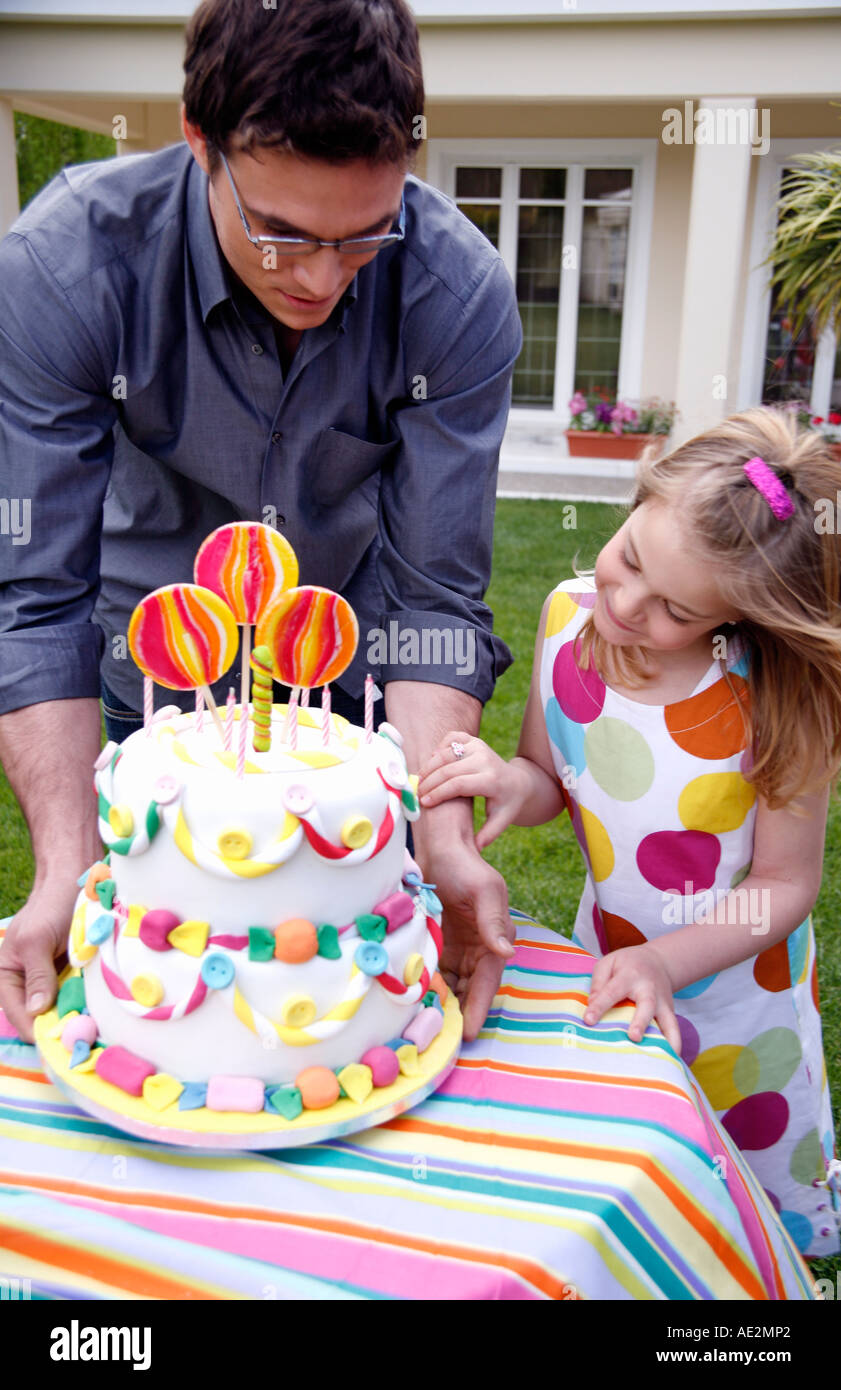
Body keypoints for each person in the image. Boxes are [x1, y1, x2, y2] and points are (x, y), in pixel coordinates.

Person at [0, 0, 522, 1045]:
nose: (325, 279)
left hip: (355, 691)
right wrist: (66, 866)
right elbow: (38, 595)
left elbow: (432, 600)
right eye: (282, 233)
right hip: (145, 680)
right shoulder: (63, 269)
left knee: (328, 1011)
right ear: (200, 140)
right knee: (176, 1002)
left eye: (365, 236)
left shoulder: (456, 294)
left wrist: (446, 833)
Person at [418, 406, 841, 1258]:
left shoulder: (776, 700)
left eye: (675, 610)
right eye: (629, 558)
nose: (624, 602)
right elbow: (552, 778)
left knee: (746, 1198)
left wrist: (667, 960)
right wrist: (510, 779)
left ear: (735, 618)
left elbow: (785, 884)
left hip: (735, 1001)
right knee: (640, 1171)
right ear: (636, 499)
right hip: (607, 962)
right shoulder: (565, 618)